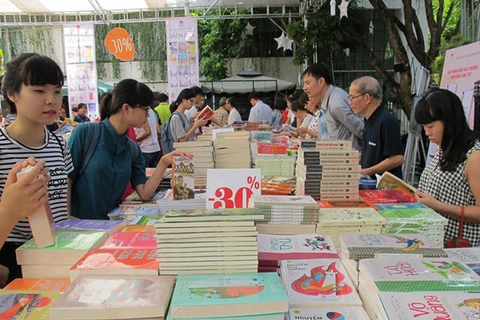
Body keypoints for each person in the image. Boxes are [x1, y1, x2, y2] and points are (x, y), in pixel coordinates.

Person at [68, 78, 192, 220]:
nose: (148, 115)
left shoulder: (132, 149)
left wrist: (163, 162)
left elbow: (144, 193)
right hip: (80, 230)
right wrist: (66, 218)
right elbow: (67, 179)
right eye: (145, 109)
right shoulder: (85, 133)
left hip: (112, 230)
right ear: (126, 108)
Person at [0, 53, 73, 282]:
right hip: (16, 259)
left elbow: (64, 199)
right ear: (12, 94)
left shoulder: (59, 143)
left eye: (57, 91)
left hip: (60, 250)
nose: (51, 100)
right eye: (39, 91)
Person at [414, 88, 480, 247]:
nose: (427, 132)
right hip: (437, 242)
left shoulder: (474, 156)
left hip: (461, 249)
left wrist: (438, 206)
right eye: (424, 127)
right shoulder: (443, 147)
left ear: (450, 120)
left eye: (430, 126)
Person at [349, 76, 404, 178]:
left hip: (385, 189)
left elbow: (398, 158)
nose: (350, 102)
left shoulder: (386, 121)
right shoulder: (368, 119)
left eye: (352, 97)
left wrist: (368, 171)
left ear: (367, 98)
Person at [303, 63, 364, 150]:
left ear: (321, 81)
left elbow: (361, 129)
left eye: (307, 83)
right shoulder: (333, 97)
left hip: (349, 157)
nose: (304, 88)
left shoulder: (335, 104)